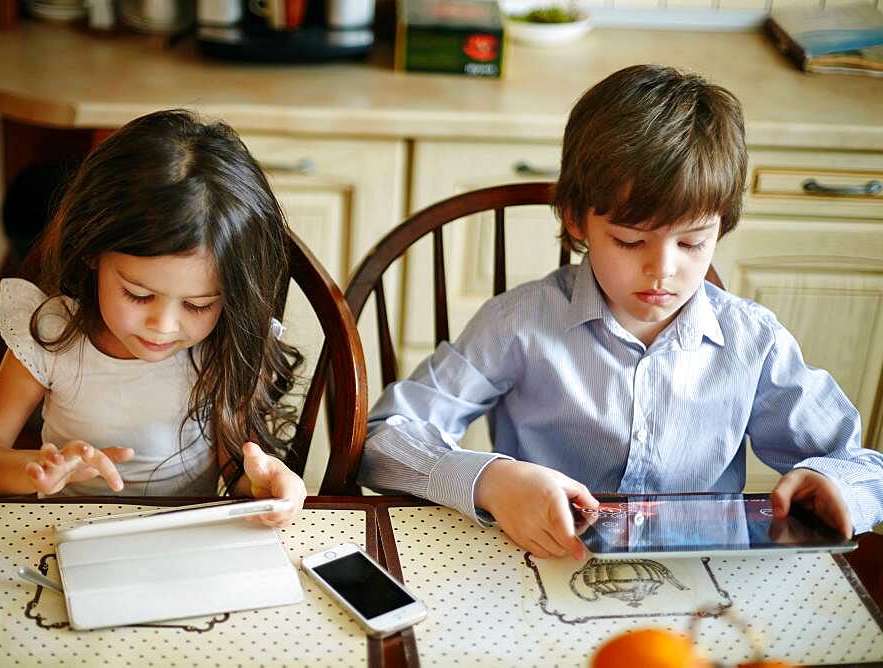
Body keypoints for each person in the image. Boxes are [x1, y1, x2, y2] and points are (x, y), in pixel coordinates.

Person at [357, 64, 883, 558]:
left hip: (701, 578)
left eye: (693, 243)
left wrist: (838, 484)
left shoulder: (752, 341)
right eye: (631, 242)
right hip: (545, 563)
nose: (662, 270)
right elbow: (385, 440)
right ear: (578, 221)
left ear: (721, 227)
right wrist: (492, 481)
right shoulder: (519, 324)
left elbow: (861, 464)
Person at [0, 110, 307, 527]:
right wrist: (39, 468)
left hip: (178, 542)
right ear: (92, 250)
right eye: (138, 294)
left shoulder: (220, 344)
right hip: (66, 535)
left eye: (198, 304)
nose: (164, 325)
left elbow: (236, 472)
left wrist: (267, 484)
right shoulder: (55, 335)